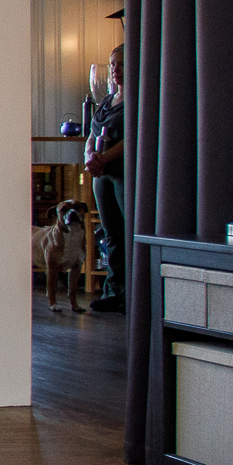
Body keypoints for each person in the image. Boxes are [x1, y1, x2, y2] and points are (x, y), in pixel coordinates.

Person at [86, 42, 128, 313]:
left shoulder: (138, 100)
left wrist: (105, 158)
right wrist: (90, 155)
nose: (116, 69)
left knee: (128, 230)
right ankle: (114, 291)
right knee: (111, 234)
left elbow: (133, 137)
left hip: (122, 173)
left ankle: (133, 295)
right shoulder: (105, 101)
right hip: (101, 174)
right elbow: (92, 132)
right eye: (113, 64)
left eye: (122, 63)